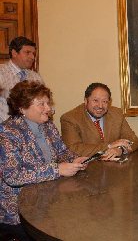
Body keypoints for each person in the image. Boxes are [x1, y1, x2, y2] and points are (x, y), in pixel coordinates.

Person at [0, 81, 87, 240]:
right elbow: (12, 176)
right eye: (41, 104)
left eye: (48, 103)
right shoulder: (7, 132)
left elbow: (62, 151)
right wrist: (57, 170)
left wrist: (75, 159)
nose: (48, 108)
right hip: (18, 212)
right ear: (22, 108)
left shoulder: (48, 126)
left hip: (47, 202)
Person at [60, 83, 138, 159]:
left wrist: (120, 149)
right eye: (95, 100)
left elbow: (134, 140)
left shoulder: (117, 114)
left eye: (104, 101)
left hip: (115, 168)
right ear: (85, 100)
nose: (100, 106)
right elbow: (73, 149)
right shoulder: (70, 118)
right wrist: (109, 146)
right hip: (87, 168)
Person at [0, 36, 43, 122]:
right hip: (5, 129)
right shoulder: (1, 73)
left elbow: (44, 102)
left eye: (33, 54)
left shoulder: (36, 77)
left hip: (33, 129)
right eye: (27, 52)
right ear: (14, 53)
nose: (32, 57)